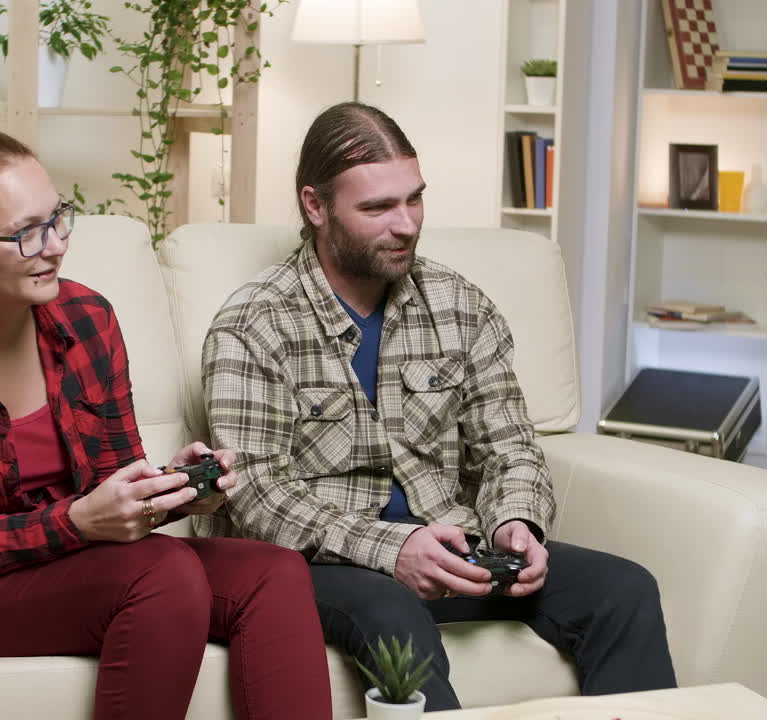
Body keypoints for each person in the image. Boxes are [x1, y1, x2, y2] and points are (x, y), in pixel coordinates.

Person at [197, 102, 676, 711]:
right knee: (390, 608)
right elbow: (257, 493)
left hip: (454, 544)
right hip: (318, 563)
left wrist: (515, 523)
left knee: (623, 588)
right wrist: (392, 550)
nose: (405, 225)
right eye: (377, 208)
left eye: (413, 200)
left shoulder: (459, 305)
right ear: (315, 207)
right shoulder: (254, 323)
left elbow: (511, 447)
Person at [0, 127, 332, 720]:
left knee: (275, 572)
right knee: (164, 571)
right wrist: (77, 521)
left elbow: (113, 480)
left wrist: (170, 492)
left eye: (57, 220)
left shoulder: (86, 318)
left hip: (80, 563)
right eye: (26, 233)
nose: (54, 245)